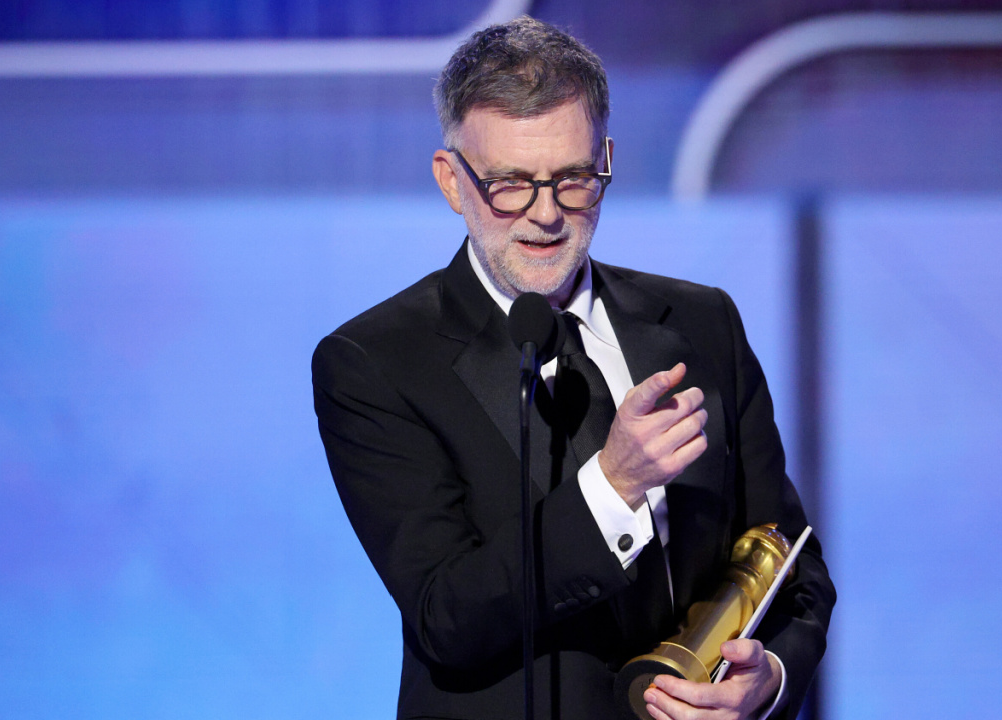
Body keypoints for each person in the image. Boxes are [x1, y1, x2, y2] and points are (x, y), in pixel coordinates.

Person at [312, 16, 834, 720]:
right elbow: (448, 615)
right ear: (451, 181)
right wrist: (613, 486)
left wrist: (767, 678)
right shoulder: (377, 362)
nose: (545, 214)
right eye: (510, 183)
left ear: (607, 161)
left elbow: (788, 565)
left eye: (573, 179)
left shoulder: (702, 323)